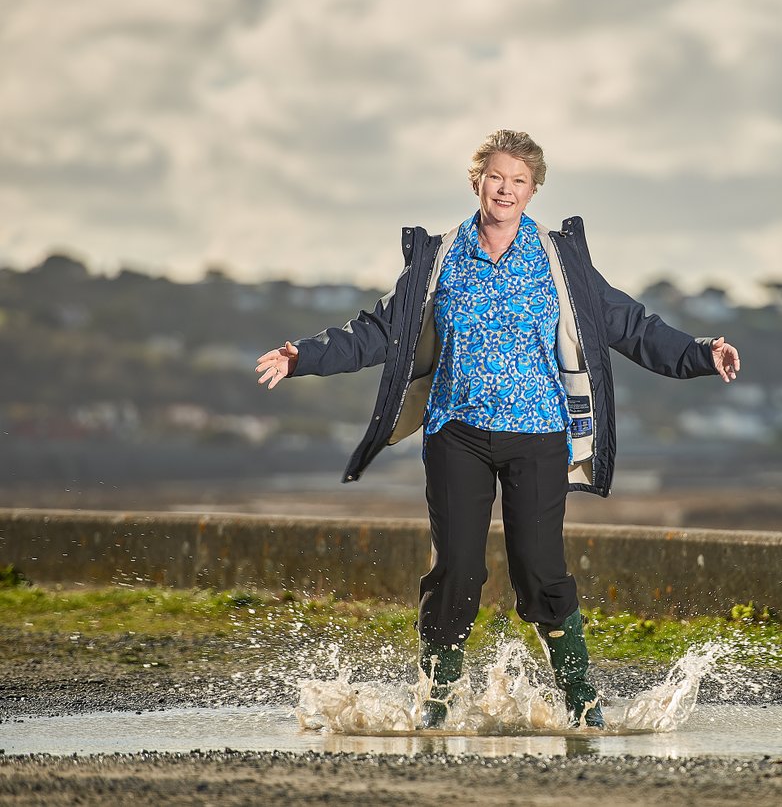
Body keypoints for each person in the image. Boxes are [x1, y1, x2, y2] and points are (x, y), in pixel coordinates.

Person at [256, 129, 740, 729]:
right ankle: (435, 700)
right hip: (456, 433)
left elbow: (632, 325)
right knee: (456, 571)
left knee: (540, 571)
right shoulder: (440, 258)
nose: (506, 190)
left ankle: (582, 700)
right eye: (496, 177)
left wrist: (701, 352)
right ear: (477, 182)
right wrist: (302, 356)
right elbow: (378, 331)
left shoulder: (559, 262)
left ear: (533, 191)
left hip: (538, 435)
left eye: (519, 181)